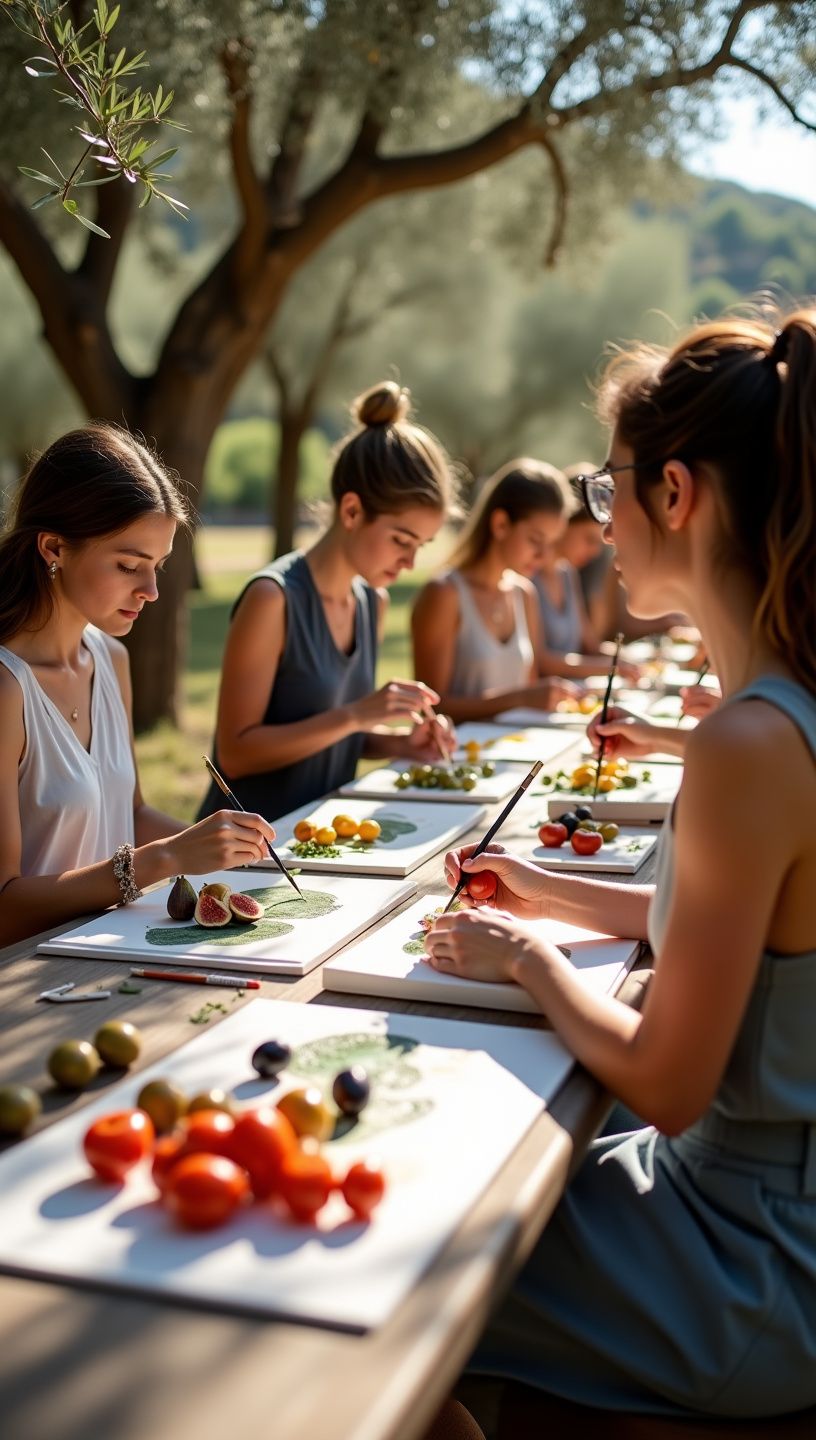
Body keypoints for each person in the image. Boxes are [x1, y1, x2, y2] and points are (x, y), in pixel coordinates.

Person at [425, 308, 816, 1419]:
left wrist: (525, 960)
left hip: (745, 1263)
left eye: (609, 489)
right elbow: (733, 934)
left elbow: (668, 1081)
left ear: (677, 494)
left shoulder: (749, 741)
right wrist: (545, 888)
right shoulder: (775, 715)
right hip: (762, 1219)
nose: (599, 522)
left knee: (404, 1266)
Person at [0, 425, 275, 949]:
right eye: (128, 565)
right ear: (54, 547)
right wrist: (167, 857)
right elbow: (4, 907)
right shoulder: (6, 689)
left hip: (110, 952)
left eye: (158, 567)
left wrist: (225, 844)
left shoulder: (111, 658)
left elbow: (128, 811)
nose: (150, 591)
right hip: (28, 981)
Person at [198, 382, 456, 824]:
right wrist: (357, 713)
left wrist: (397, 743)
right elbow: (236, 754)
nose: (411, 561)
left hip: (319, 843)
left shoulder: (371, 602)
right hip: (246, 856)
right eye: (401, 540)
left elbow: (334, 733)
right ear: (352, 511)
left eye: (422, 545)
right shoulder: (272, 597)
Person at [411, 458, 582, 724]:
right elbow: (430, 707)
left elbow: (530, 691)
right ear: (501, 524)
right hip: (458, 761)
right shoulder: (444, 594)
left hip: (514, 755)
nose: (545, 555)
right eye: (536, 540)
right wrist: (520, 698)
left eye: (552, 543)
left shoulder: (524, 594)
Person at [533, 494, 642, 683]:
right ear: (564, 526)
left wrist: (631, 660)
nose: (595, 552)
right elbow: (540, 661)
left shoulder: (567, 573)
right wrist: (613, 667)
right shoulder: (530, 577)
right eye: (589, 539)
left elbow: (590, 645)